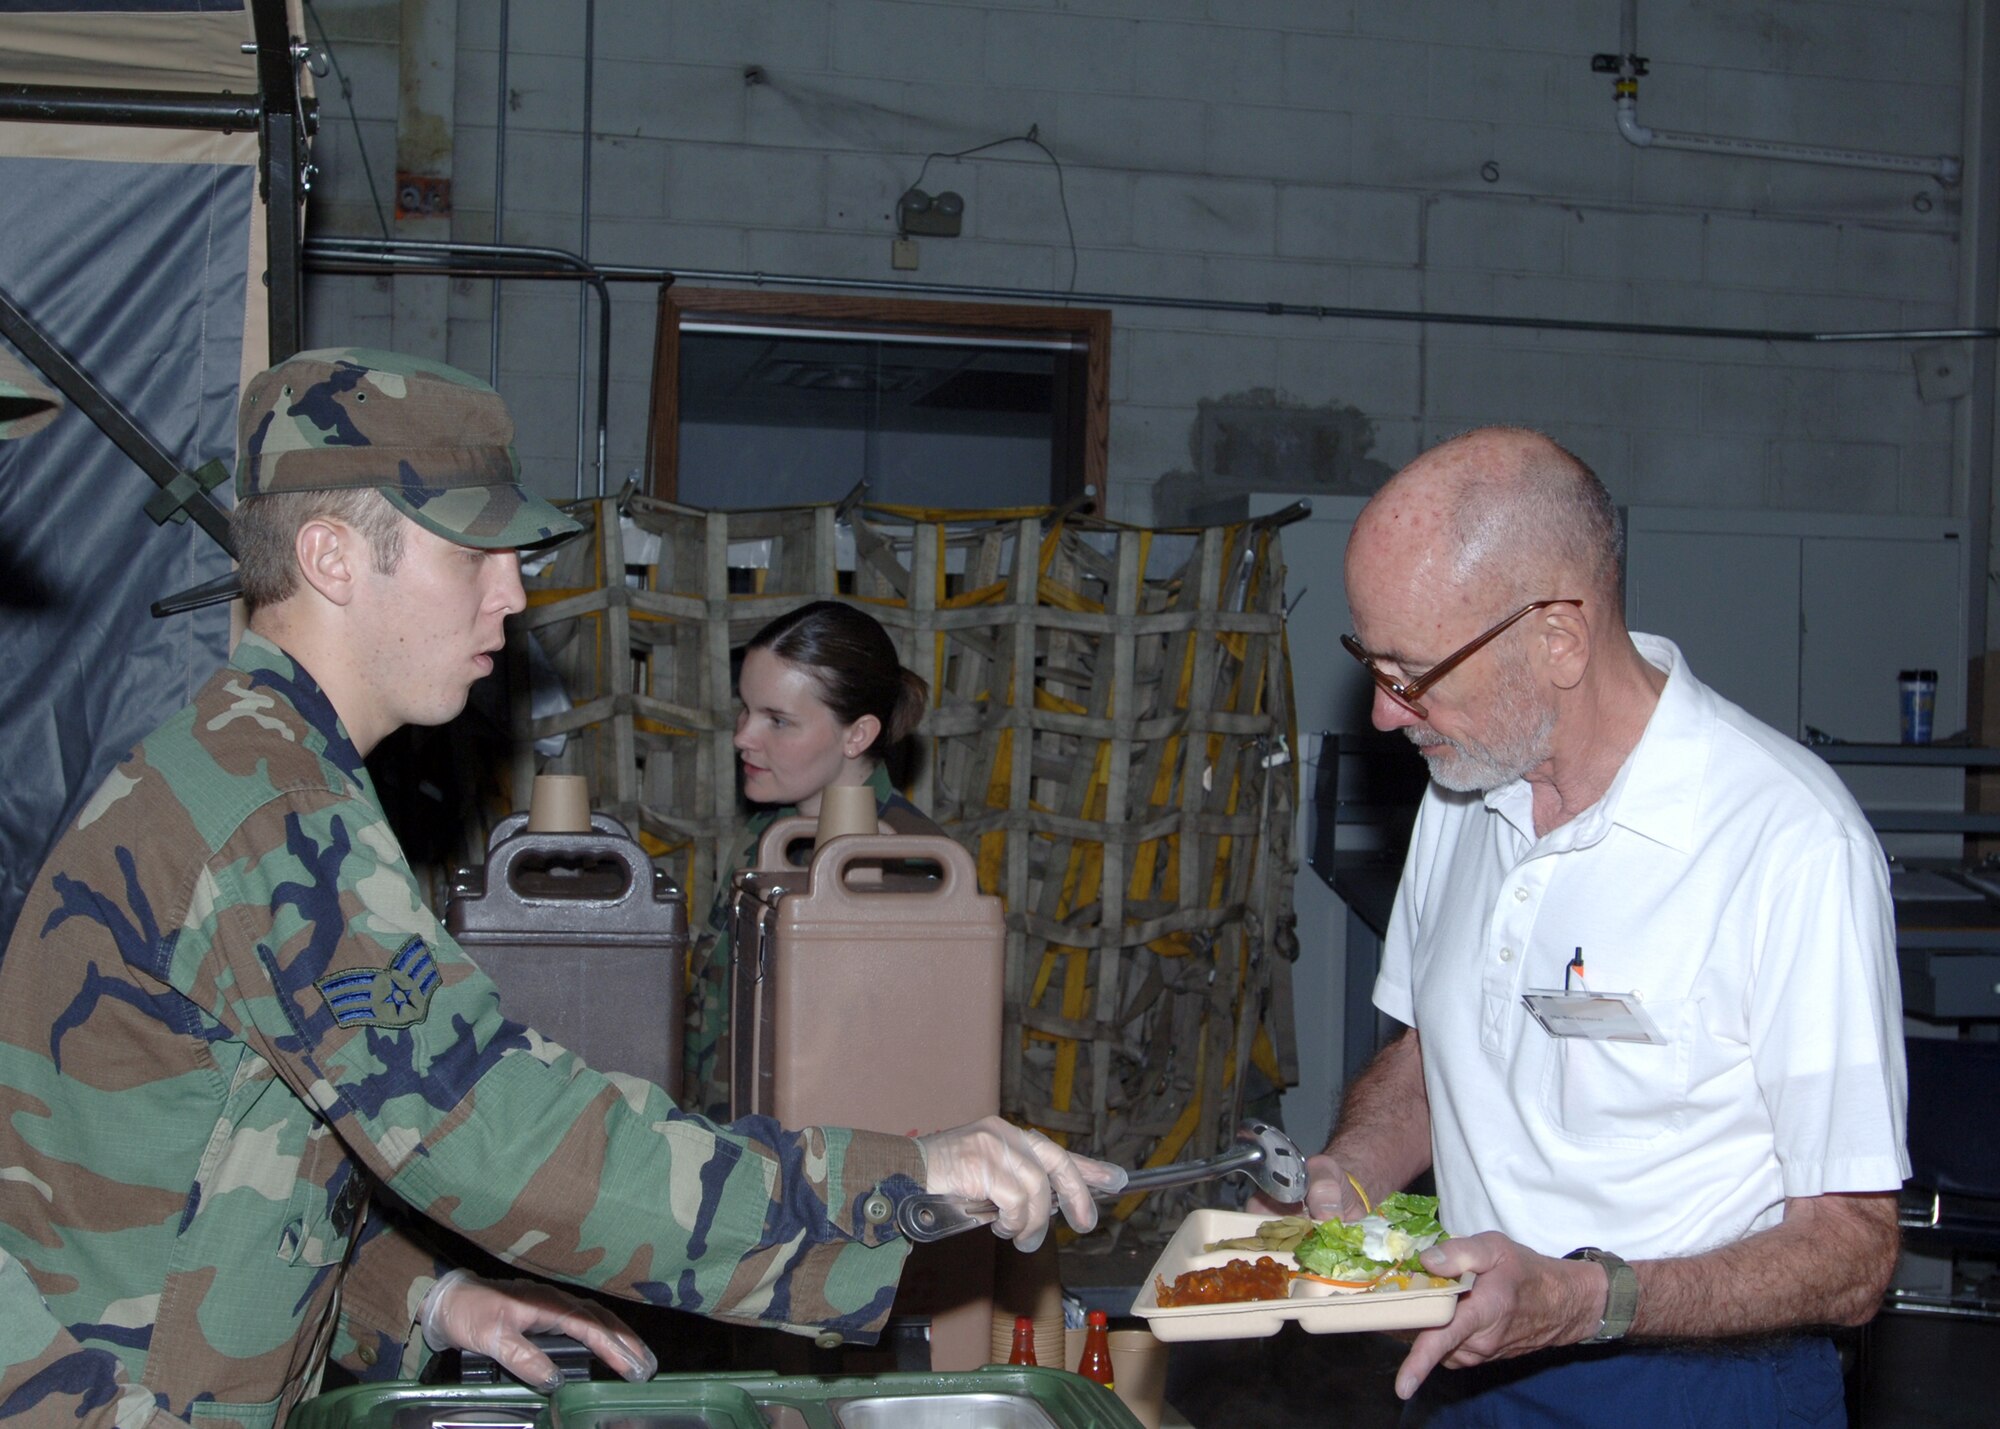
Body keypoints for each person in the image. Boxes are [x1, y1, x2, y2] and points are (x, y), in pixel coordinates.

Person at [0, 348, 1123, 1426]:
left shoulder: (259, 765)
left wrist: (425, 1297)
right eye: (471, 554)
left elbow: (219, 1155)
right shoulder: (268, 811)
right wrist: (896, 1176)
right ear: (335, 559)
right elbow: (499, 1135)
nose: (512, 594)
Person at [1301, 427, 1906, 1424]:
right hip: (1463, 1357)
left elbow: (1849, 1252)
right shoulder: (1463, 792)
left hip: (1697, 1385)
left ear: (1557, 639)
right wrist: (1343, 1181)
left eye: (1409, 672)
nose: (1380, 713)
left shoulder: (1784, 840)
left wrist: (1584, 1299)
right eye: (1369, 661)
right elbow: (1430, 1055)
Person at [682, 600, 937, 1118]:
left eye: (778, 720)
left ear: (857, 735)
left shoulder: (911, 868)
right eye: (747, 709)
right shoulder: (767, 833)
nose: (742, 737)